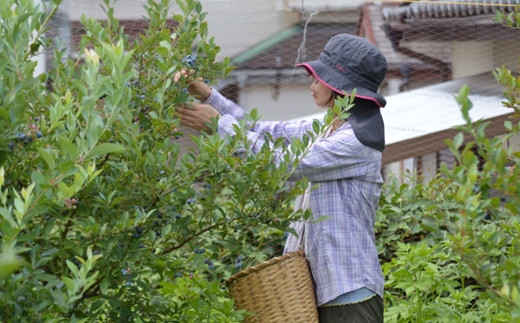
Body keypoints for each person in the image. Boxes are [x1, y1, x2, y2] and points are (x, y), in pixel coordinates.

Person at [176, 33, 387, 322]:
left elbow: (281, 163)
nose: (311, 85)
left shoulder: (355, 141)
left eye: (318, 79)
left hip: (350, 294)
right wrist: (208, 95)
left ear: (340, 88)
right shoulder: (329, 127)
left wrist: (217, 124)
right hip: (322, 289)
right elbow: (263, 131)